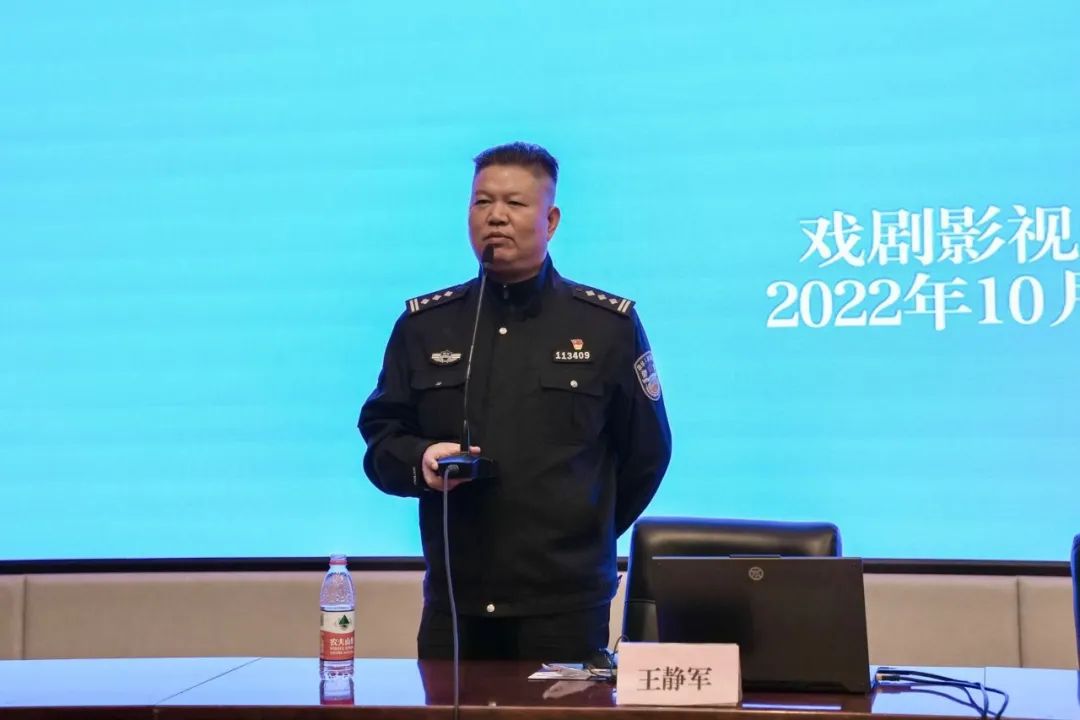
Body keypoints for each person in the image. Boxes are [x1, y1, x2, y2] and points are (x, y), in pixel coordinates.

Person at [358, 142, 671, 662]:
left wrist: (582, 534)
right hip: (456, 605)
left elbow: (647, 455)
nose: (495, 216)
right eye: (482, 202)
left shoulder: (606, 326)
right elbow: (382, 437)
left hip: (565, 607)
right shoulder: (425, 325)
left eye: (515, 203)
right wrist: (421, 461)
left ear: (551, 221)